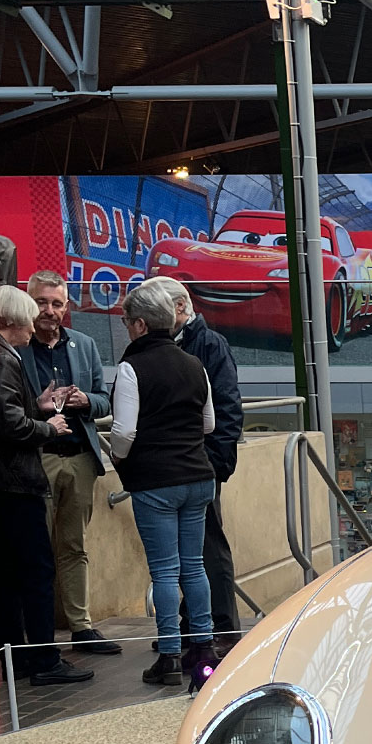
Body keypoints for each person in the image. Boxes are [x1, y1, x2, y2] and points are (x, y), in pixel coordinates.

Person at [0, 285, 93, 686]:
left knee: (12, 573)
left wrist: (37, 406)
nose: (34, 328)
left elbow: (1, 414)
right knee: (34, 570)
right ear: (12, 322)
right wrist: (47, 425)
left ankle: (16, 658)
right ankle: (45, 660)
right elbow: (9, 425)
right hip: (14, 481)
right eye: (29, 320)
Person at [110, 281, 215, 686]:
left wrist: (119, 457)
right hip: (198, 476)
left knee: (165, 572)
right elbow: (208, 424)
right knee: (195, 566)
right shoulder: (194, 364)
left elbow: (124, 432)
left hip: (155, 481)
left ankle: (169, 653)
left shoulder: (130, 368)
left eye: (125, 320)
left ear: (138, 324)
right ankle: (204, 647)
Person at [20, 270, 121, 656]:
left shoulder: (84, 344)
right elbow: (10, 409)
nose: (49, 310)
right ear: (30, 304)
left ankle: (82, 627)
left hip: (79, 458)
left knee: (74, 547)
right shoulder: (19, 348)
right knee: (38, 550)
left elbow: (104, 401)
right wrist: (40, 408)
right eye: (42, 302)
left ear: (67, 306)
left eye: (56, 303)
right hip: (38, 459)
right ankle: (40, 634)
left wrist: (85, 402)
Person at [153, 277, 243, 646]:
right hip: (182, 465)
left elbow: (227, 407)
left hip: (200, 464)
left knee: (208, 547)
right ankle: (196, 625)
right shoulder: (176, 343)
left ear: (178, 307)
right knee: (187, 551)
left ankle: (220, 627)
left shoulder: (208, 344)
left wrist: (216, 463)